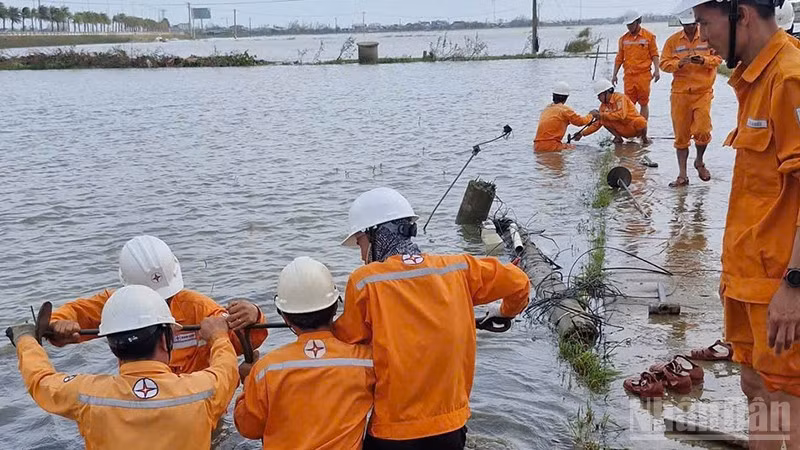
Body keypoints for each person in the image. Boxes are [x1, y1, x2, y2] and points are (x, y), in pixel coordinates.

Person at [680, 0, 800, 446]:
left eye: (705, 23)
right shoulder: (754, 79)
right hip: (750, 282)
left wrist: (795, 283)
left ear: (742, 14)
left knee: (784, 403)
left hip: (781, 285)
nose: (701, 35)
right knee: (755, 389)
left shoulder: (790, 77)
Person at [332, 187, 531, 449]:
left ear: (375, 234)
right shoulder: (458, 268)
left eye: (360, 242)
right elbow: (519, 283)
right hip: (451, 427)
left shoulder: (365, 282)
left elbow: (346, 346)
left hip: (393, 432)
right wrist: (504, 312)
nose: (361, 254)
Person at [6, 285, 239, 449]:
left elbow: (41, 380)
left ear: (111, 345)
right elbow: (227, 368)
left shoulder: (87, 396)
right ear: (164, 340)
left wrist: (26, 340)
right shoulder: (204, 390)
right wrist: (218, 337)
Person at [47, 235, 268, 374]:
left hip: (196, 404)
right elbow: (70, 316)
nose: (160, 304)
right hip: (141, 398)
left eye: (166, 299)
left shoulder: (198, 308)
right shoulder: (114, 305)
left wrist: (254, 316)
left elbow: (244, 341)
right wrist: (57, 326)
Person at [234, 257, 375, 449]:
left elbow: (248, 427)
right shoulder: (365, 362)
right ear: (335, 306)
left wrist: (248, 382)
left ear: (284, 315)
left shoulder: (266, 370)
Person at [660, 9, 723, 187]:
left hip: (703, 92)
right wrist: (678, 63)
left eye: (693, 24)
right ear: (681, 23)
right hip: (680, 94)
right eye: (687, 25)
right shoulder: (672, 41)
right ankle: (682, 175)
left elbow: (719, 57)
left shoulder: (707, 37)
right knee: (681, 136)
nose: (691, 28)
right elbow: (664, 63)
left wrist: (704, 61)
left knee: (703, 130)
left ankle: (699, 161)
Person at [612, 11, 661, 123]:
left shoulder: (649, 36)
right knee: (629, 104)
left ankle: (643, 128)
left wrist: (657, 70)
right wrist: (614, 74)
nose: (629, 27)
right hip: (629, 76)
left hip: (644, 75)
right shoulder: (623, 39)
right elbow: (619, 58)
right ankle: (632, 129)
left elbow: (654, 54)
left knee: (644, 103)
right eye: (628, 25)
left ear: (638, 22)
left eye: (631, 24)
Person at [573, 79, 649, 145]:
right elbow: (596, 124)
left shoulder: (620, 98)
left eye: (599, 95)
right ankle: (618, 138)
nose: (598, 98)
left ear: (607, 92)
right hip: (623, 130)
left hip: (633, 127)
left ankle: (644, 138)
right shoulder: (603, 106)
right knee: (603, 121)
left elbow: (622, 115)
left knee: (641, 121)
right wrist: (582, 134)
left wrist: (601, 115)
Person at [533, 81, 594, 152]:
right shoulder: (565, 110)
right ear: (566, 98)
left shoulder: (547, 109)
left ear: (553, 96)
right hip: (552, 146)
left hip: (537, 146)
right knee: (578, 149)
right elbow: (580, 122)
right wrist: (591, 115)